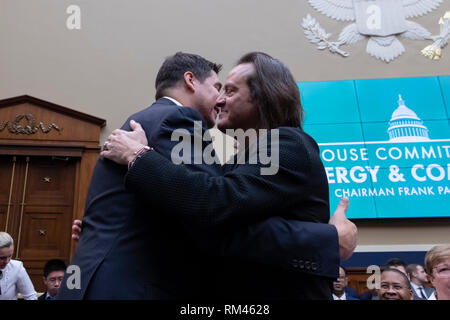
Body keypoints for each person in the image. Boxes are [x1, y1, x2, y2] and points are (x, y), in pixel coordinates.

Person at [60, 52, 357, 300]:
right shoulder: (210, 142)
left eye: (230, 91)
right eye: (220, 88)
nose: (220, 100)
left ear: (264, 97)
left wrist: (138, 158)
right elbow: (206, 211)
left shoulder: (287, 143)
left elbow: (215, 208)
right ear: (190, 80)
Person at [0, 232, 37, 300]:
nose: (7, 261)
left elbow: (31, 296)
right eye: (2, 258)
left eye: (10, 256)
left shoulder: (17, 267)